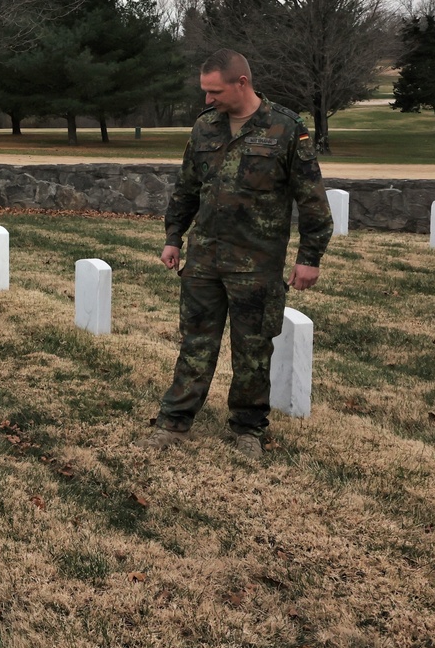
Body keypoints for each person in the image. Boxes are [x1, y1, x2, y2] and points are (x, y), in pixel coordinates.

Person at [135, 48, 333, 459]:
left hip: (256, 265)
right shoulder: (205, 127)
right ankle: (174, 421)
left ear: (241, 83)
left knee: (253, 353)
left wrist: (309, 257)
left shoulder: (285, 127)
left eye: (214, 91)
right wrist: (174, 236)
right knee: (195, 344)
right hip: (204, 259)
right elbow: (188, 188)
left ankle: (248, 429)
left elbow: (312, 200)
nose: (207, 100)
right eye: (205, 92)